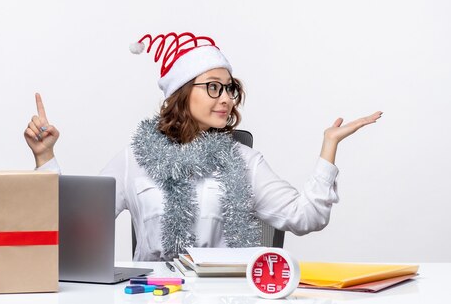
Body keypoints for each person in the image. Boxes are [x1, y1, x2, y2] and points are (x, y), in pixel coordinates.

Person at [24, 32, 382, 261]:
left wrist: (328, 148)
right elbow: (75, 225)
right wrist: (45, 157)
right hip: (152, 297)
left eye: (230, 88)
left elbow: (307, 217)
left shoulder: (245, 161)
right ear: (181, 93)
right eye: (213, 87)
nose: (226, 98)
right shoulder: (135, 159)